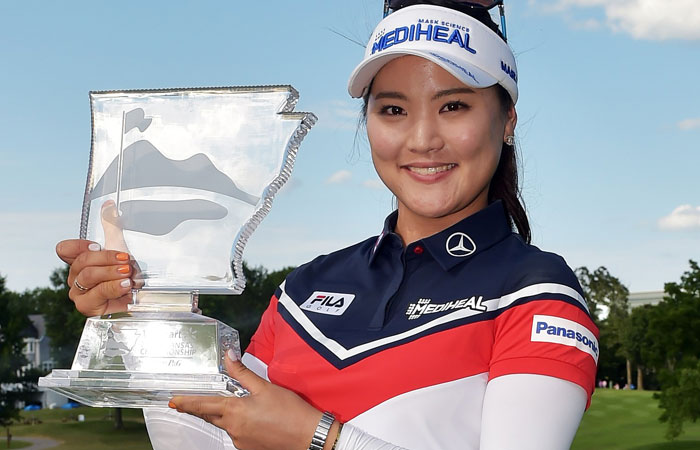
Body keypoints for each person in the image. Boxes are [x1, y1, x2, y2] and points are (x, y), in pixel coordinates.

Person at [56, 1, 599, 449]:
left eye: (453, 106)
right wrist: (145, 315)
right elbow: (208, 442)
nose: (422, 139)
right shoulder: (305, 288)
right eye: (393, 110)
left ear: (506, 121)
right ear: (367, 124)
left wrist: (320, 439)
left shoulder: (539, 295)